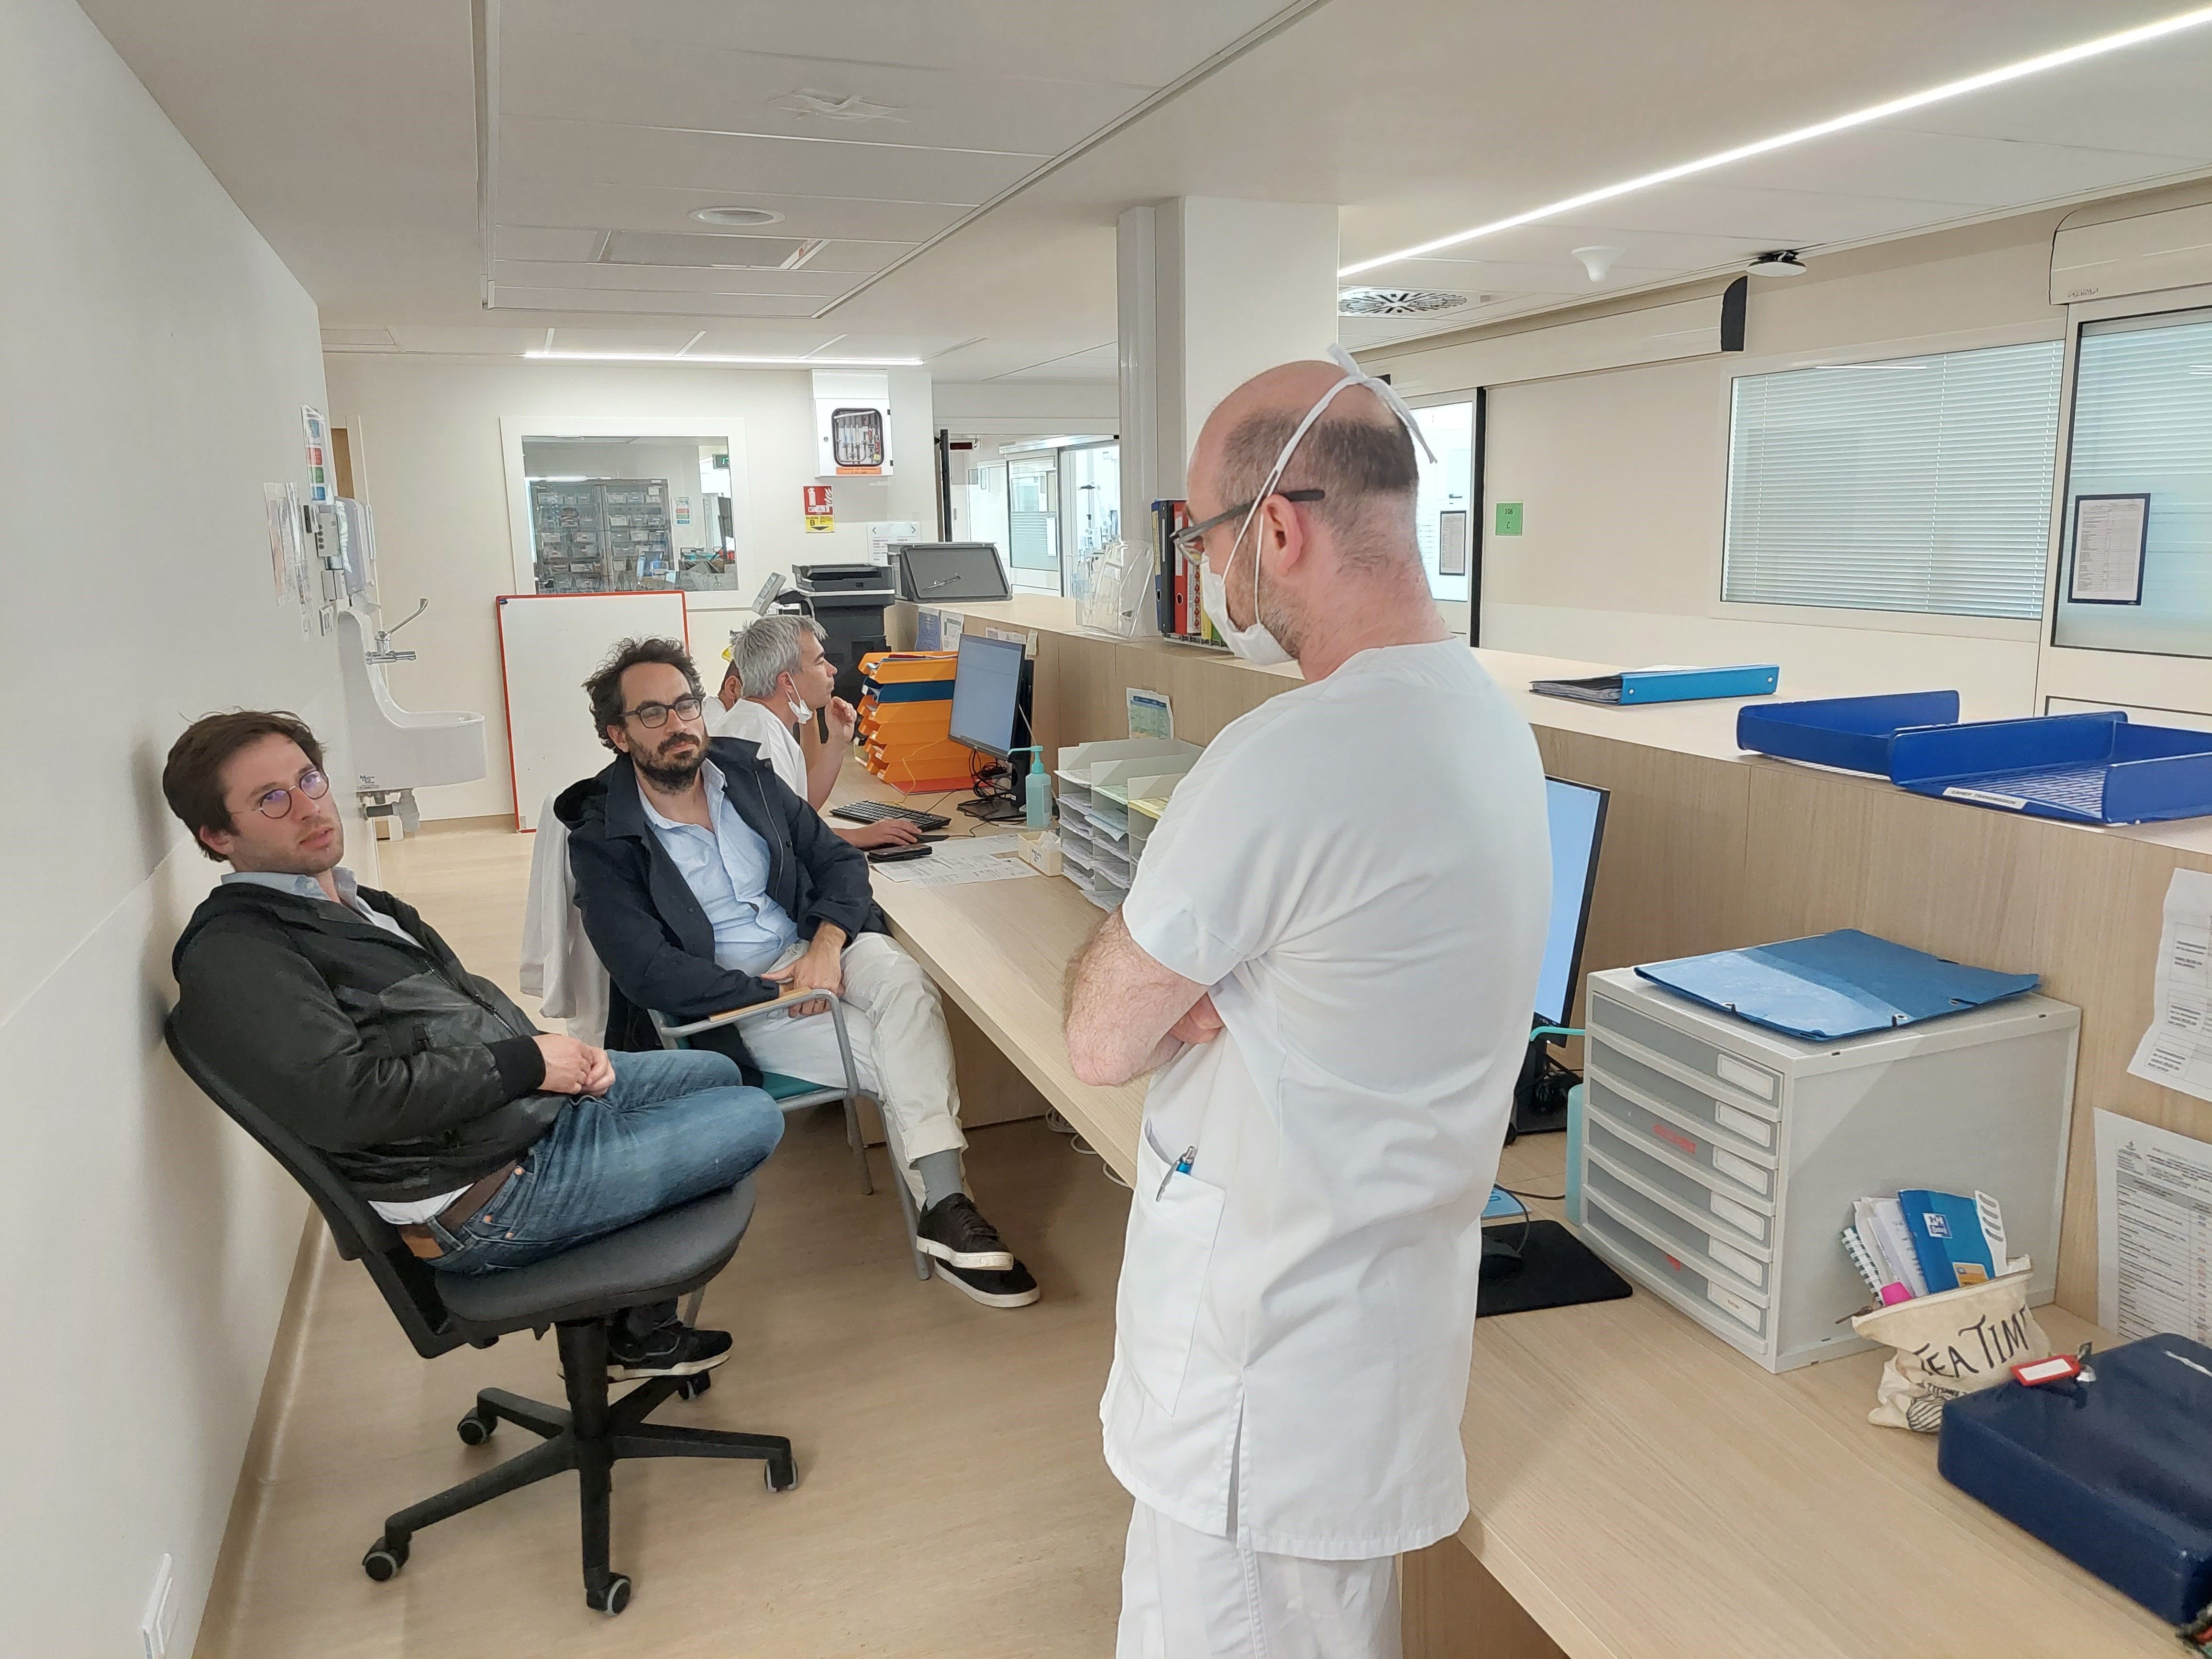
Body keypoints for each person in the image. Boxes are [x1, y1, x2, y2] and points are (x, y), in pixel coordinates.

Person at [1063, 348, 1551, 1659]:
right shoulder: (1490, 727)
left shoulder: (1290, 751)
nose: (1217, 575)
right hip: (1371, 1343)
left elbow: (1102, 1035)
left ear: (1276, 527)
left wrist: (1179, 972)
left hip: (1258, 1376)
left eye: (1211, 540)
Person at [164, 711, 782, 1380]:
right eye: (271, 800)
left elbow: (456, 1012)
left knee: (718, 1069)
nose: (309, 807)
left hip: (509, 1121)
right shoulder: (240, 953)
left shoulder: (352, 902)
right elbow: (347, 1100)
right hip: (487, 1197)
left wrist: (550, 1053)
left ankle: (632, 1321)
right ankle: (631, 1327)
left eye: (309, 779)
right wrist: (529, 1063)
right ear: (218, 836)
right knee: (754, 1115)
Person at [557, 637, 1039, 1309]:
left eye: (686, 705)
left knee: (907, 985)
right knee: (885, 1053)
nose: (678, 726)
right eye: (652, 715)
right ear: (618, 734)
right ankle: (949, 1207)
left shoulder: (743, 773)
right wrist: (776, 990)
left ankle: (945, 1208)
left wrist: (825, 946)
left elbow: (839, 863)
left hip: (816, 952)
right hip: (732, 1003)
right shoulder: (603, 836)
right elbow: (647, 972)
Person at [709, 615, 922, 850]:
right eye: (820, 662)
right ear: (787, 682)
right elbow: (788, 837)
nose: (832, 670)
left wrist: (838, 740)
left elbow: (801, 807)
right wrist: (859, 837)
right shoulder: (761, 740)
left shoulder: (756, 720)